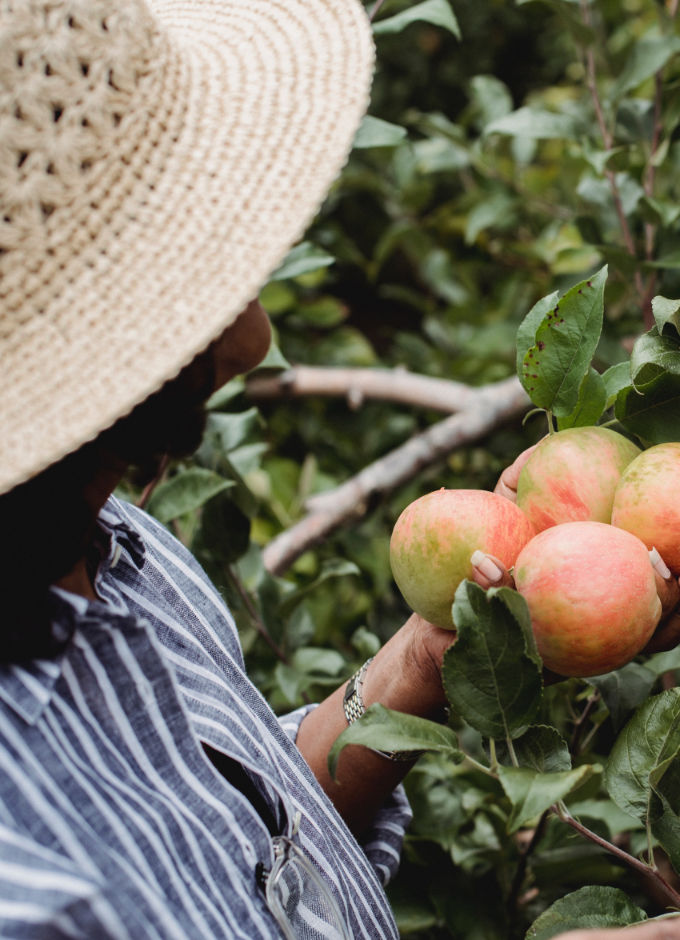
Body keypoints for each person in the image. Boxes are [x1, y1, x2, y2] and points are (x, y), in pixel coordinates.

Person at [0, 1, 677, 937]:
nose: (251, 335)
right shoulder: (24, 881)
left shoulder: (105, 536)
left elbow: (252, 849)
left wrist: (430, 656)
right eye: (183, 276)